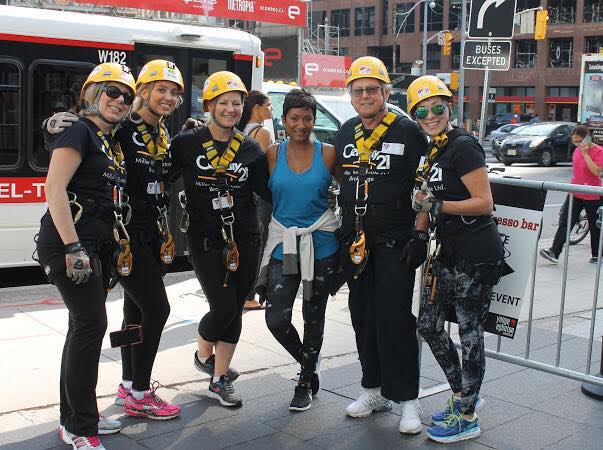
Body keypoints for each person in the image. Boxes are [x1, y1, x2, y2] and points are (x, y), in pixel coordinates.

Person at [44, 60, 185, 420]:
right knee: (156, 309)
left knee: (133, 313)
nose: (168, 97)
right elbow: (80, 136)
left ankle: (128, 382)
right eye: (160, 89)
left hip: (147, 233)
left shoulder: (164, 133)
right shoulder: (123, 127)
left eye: (174, 92)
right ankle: (138, 389)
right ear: (145, 93)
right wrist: (50, 126)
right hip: (124, 236)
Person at [36, 63, 136, 450]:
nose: (121, 101)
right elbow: (54, 191)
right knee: (91, 327)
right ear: (93, 93)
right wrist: (74, 248)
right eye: (113, 92)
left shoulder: (105, 138)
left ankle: (77, 418)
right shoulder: (78, 132)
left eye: (127, 96)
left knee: (82, 329)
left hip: (93, 246)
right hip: (69, 245)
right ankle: (79, 427)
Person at [333, 56, 428, 434]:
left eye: (373, 89)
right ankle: (373, 389)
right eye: (359, 90)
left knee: (396, 321)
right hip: (357, 244)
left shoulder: (407, 131)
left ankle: (408, 400)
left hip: (395, 243)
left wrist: (420, 234)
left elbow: (425, 188)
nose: (366, 95)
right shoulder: (346, 132)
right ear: (351, 95)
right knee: (363, 318)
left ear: (387, 92)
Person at [407, 75, 504, 443]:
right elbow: (424, 195)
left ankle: (467, 415)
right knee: (429, 326)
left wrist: (439, 206)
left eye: (437, 107)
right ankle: (463, 393)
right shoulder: (434, 147)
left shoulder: (463, 146)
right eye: (422, 110)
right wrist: (419, 231)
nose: (430, 115)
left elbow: (484, 202)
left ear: (449, 106)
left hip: (476, 255)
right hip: (445, 252)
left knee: (470, 334)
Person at [170, 71, 271, 407]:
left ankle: (219, 378)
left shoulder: (252, 149)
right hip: (204, 239)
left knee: (236, 310)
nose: (230, 109)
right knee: (223, 306)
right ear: (209, 104)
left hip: (246, 237)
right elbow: (157, 176)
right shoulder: (186, 144)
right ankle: (203, 353)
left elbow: (267, 191)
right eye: (223, 102)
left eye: (237, 103)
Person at [256, 89, 339, 411]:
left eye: (308, 118)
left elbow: (351, 193)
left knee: (313, 316)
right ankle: (308, 362)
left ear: (314, 120)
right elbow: (262, 195)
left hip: (322, 246)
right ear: (284, 120)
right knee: (276, 318)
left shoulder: (329, 154)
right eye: (295, 118)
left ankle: (305, 380)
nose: (302, 125)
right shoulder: (272, 154)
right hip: (284, 246)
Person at [540, 125, 603, 264]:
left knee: (594, 225)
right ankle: (554, 252)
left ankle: (597, 254)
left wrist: (586, 154)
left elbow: (596, 172)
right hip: (575, 192)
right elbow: (577, 173)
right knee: (565, 222)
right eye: (574, 141)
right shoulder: (576, 151)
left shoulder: (598, 151)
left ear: (587, 138)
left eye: (579, 141)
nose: (577, 144)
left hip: (593, 194)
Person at [239, 90, 273, 310]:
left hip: (243, 194)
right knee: (260, 243)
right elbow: (264, 168)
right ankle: (250, 295)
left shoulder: (240, 130)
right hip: (260, 195)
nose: (271, 109)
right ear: (257, 108)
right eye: (268, 105)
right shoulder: (262, 133)